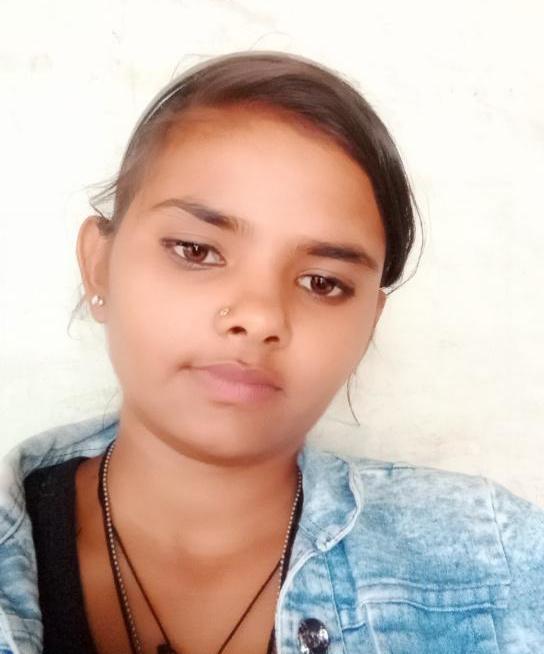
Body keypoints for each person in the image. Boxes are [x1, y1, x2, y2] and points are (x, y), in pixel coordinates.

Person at [1, 50, 543, 654]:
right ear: (98, 265)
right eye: (197, 251)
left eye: (322, 282)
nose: (260, 317)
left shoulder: (500, 563)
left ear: (369, 324)